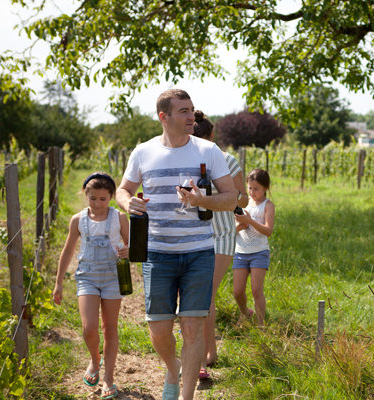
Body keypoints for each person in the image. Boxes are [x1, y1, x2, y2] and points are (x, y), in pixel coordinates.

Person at [115, 89, 237, 400]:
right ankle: (173, 367)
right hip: (157, 253)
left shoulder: (209, 151)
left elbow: (231, 198)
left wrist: (200, 199)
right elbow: (122, 189)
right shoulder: (142, 152)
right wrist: (129, 203)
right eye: (183, 111)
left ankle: (186, 396)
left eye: (192, 110)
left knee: (193, 328)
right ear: (163, 117)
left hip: (199, 252)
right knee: (158, 329)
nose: (191, 117)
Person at [53, 172, 129, 400]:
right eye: (93, 198)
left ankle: (108, 378)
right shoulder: (78, 220)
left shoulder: (120, 218)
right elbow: (67, 251)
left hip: (113, 277)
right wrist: (58, 283)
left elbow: (134, 246)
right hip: (87, 277)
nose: (97, 204)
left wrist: (129, 250)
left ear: (112, 197)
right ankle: (95, 360)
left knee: (110, 328)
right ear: (86, 195)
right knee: (89, 328)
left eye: (103, 199)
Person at [191, 110, 249, 380]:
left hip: (221, 235)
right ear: (212, 135)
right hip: (197, 235)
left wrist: (222, 196)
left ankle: (202, 356)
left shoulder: (225, 161)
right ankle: (208, 352)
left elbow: (243, 200)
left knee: (206, 295)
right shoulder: (191, 160)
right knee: (202, 296)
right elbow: (244, 200)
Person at [233, 168, 275, 327]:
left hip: (259, 252)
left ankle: (261, 325)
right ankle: (245, 312)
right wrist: (239, 227)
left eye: (256, 188)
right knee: (237, 291)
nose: (252, 192)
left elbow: (268, 230)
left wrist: (250, 221)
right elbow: (233, 228)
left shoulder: (267, 205)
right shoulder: (243, 203)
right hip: (241, 252)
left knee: (256, 290)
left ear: (265, 188)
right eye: (249, 188)